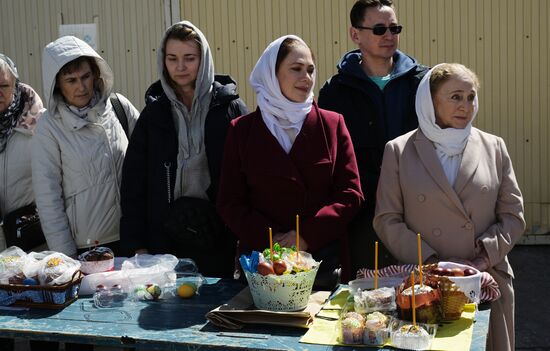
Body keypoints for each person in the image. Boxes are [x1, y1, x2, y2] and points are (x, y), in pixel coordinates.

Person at [373, 63, 525, 351]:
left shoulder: (494, 147)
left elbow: (513, 216)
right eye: (455, 97)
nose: (465, 106)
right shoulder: (400, 150)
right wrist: (432, 264)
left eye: (471, 97)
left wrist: (482, 259)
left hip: (485, 279)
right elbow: (386, 218)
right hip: (423, 285)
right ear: (430, 101)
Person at [216, 35, 363, 288]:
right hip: (263, 265)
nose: (306, 78)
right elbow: (230, 201)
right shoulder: (242, 130)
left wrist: (305, 236)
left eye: (310, 70)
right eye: (296, 69)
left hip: (323, 262)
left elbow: (351, 194)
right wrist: (275, 243)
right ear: (272, 75)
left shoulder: (332, 124)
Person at [120, 21, 248, 278]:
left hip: (218, 239)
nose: (180, 67)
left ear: (204, 59)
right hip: (164, 242)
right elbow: (133, 185)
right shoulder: (153, 115)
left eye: (189, 58)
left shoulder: (230, 109)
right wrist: (138, 246)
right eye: (172, 58)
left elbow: (249, 181)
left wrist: (244, 242)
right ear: (163, 61)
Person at [318, 0, 429, 274]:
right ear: (355, 34)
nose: (389, 36)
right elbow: (331, 158)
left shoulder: (423, 83)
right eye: (379, 29)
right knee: (368, 298)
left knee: (420, 295)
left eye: (394, 28)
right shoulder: (335, 91)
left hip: (417, 210)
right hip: (362, 214)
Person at [32, 36, 139, 260]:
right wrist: (66, 257)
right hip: (85, 250)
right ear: (57, 84)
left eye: (85, 76)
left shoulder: (119, 107)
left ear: (96, 74)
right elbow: (48, 198)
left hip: (131, 238)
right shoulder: (48, 128)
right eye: (71, 80)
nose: (81, 87)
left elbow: (147, 165)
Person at [0, 54, 45, 351]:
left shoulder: (39, 124)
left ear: (15, 84)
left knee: (42, 326)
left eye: (2, 86)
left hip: (34, 244)